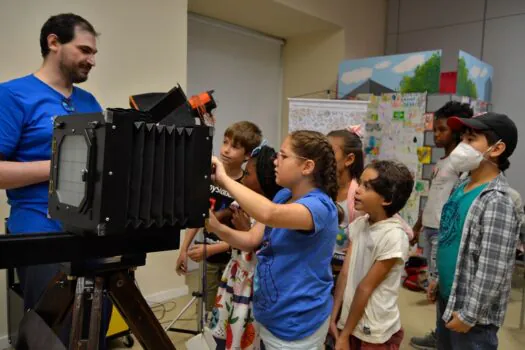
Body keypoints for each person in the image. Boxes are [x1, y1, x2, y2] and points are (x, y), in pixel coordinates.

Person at [0, 13, 109, 347]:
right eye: (84, 50)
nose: (92, 60)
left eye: (94, 53)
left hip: (88, 227)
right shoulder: (13, 95)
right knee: (53, 329)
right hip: (38, 226)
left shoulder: (89, 102)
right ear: (53, 43)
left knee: (97, 315)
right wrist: (59, 166)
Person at [206, 130, 338, 349]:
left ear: (307, 167)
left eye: (283, 156)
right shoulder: (283, 195)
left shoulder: (320, 207)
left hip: (297, 323)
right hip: (271, 313)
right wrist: (217, 227)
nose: (276, 161)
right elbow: (250, 239)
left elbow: (269, 215)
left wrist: (223, 178)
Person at [428, 112, 520, 350]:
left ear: (496, 149)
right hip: (450, 298)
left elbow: (493, 267)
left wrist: (470, 314)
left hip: (473, 316)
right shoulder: (461, 185)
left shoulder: (497, 201)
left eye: (471, 140)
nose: (462, 146)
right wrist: (438, 278)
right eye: (462, 139)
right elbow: (449, 233)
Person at [176, 121, 262, 313]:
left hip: (235, 256)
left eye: (234, 147)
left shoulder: (247, 184)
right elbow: (200, 215)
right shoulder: (208, 175)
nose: (226, 150)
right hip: (209, 256)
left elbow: (248, 232)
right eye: (225, 142)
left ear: (247, 155)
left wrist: (214, 248)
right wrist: (184, 249)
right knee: (210, 306)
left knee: (231, 306)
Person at [330, 160, 414, 350]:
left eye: (366, 187)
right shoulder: (360, 224)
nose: (357, 190)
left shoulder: (394, 236)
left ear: (386, 199)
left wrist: (343, 336)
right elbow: (345, 273)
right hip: (350, 319)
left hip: (374, 329)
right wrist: (333, 316)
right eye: (359, 183)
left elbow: (365, 288)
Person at [410, 101, 474, 349]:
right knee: (437, 287)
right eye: (434, 129)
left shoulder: (461, 165)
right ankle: (442, 333)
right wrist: (417, 226)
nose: (436, 134)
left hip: (444, 233)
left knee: (444, 287)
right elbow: (433, 197)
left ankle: (444, 336)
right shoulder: (442, 162)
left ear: (457, 131)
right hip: (430, 228)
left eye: (442, 130)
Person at [209, 145, 281, 350]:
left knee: (242, 332)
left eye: (248, 173)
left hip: (251, 283)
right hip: (236, 276)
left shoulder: (268, 210)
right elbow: (221, 216)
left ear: (263, 179)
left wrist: (240, 229)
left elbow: (252, 242)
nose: (244, 177)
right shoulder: (241, 204)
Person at [327, 128, 364, 281]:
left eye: (330, 153)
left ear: (349, 159)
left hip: (346, 271)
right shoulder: (321, 189)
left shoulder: (359, 195)